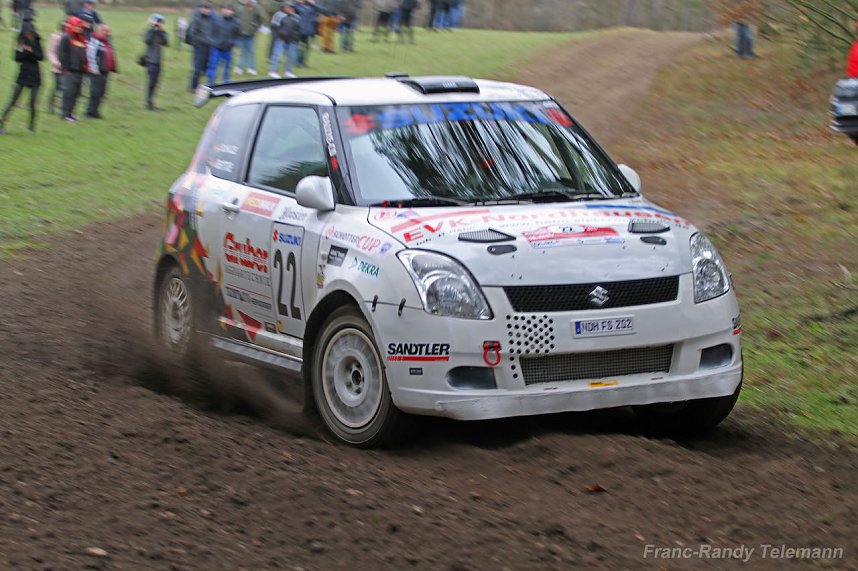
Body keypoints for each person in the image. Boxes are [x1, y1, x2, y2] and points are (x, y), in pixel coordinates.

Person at [0, 20, 43, 134]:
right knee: (14, 99)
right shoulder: (20, 41)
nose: (29, 35)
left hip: (35, 73)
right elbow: (17, 57)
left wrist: (31, 51)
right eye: (28, 33)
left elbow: (41, 56)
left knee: (33, 102)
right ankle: (2, 122)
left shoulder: (37, 40)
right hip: (24, 72)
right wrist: (25, 52)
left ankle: (31, 127)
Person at [59, 16, 89, 122]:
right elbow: (62, 54)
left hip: (80, 71)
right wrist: (65, 68)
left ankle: (71, 113)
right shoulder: (66, 37)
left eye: (81, 27)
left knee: (76, 93)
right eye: (77, 26)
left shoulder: (81, 38)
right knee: (69, 93)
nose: (80, 28)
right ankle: (65, 114)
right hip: (70, 71)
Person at [84, 23, 115, 119]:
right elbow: (90, 55)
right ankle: (90, 112)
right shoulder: (94, 41)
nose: (107, 33)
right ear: (99, 31)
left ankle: (96, 111)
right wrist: (94, 69)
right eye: (105, 31)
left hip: (105, 70)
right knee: (95, 92)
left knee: (102, 92)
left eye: (108, 31)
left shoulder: (108, 41)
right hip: (96, 71)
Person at [187, 1, 216, 91]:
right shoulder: (196, 18)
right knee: (197, 68)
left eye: (208, 9)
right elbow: (192, 32)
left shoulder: (212, 19)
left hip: (210, 45)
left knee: (207, 67)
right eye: (205, 8)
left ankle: (208, 85)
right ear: (201, 9)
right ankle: (193, 86)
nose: (206, 10)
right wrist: (197, 43)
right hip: (200, 46)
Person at [207, 5, 239, 83]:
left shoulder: (236, 22)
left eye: (229, 10)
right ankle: (211, 81)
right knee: (213, 65)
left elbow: (237, 34)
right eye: (225, 9)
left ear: (232, 12)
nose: (226, 11)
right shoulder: (217, 20)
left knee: (227, 66)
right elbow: (211, 32)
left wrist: (232, 43)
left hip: (228, 48)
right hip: (216, 47)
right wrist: (214, 42)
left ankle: (226, 81)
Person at [143, 13, 168, 110]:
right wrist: (153, 29)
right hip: (150, 61)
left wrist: (160, 30)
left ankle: (151, 101)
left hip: (158, 61)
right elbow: (147, 40)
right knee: (151, 82)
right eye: (158, 22)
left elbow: (166, 42)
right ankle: (149, 103)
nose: (159, 24)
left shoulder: (162, 33)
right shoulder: (149, 32)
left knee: (156, 83)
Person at [269, 2, 300, 78]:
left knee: (291, 56)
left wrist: (296, 39)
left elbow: (298, 29)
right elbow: (274, 27)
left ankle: (288, 71)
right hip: (280, 39)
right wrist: (276, 37)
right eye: (288, 7)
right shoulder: (278, 15)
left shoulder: (296, 17)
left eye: (291, 8)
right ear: (284, 7)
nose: (289, 9)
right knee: (277, 55)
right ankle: (273, 70)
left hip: (292, 40)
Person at [234, 0, 264, 75]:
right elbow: (236, 17)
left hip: (250, 33)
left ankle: (252, 68)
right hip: (241, 32)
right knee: (242, 51)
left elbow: (260, 19)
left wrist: (255, 27)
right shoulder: (239, 6)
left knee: (251, 51)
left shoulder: (256, 7)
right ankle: (240, 67)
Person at [46, 20, 64, 115]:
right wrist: (56, 63)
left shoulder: (71, 37)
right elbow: (51, 51)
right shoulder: (55, 37)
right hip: (57, 68)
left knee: (65, 88)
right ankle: (51, 106)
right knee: (59, 87)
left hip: (68, 68)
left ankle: (62, 107)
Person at [295, 0, 317, 67]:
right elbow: (292, 7)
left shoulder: (310, 8)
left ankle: (303, 62)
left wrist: (313, 4)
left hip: (307, 31)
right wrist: (298, 2)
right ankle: (298, 62)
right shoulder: (298, 7)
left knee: (306, 48)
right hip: (299, 30)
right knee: (299, 47)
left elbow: (316, 10)